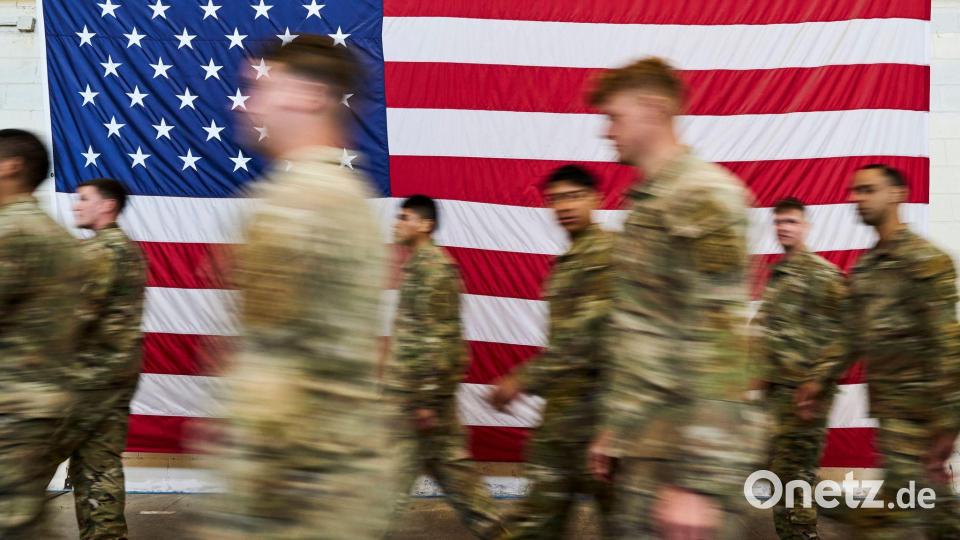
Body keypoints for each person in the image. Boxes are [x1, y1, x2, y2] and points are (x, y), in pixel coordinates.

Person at [194, 35, 400, 539]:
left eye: (261, 87)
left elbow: (273, 365)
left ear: (309, 96)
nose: (245, 104)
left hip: (293, 485)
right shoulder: (341, 192)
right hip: (324, 474)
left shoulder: (301, 201)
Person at [585, 57, 766, 538]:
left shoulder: (701, 197)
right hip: (648, 447)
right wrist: (617, 430)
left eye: (614, 116)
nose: (606, 131)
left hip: (685, 461)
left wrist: (697, 484)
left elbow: (723, 344)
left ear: (652, 108)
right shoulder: (651, 201)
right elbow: (648, 331)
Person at [796, 164, 960, 538]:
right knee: (932, 509)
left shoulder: (926, 261)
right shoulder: (867, 268)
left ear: (897, 194)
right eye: (855, 191)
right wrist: (817, 379)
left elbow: (949, 345)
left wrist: (949, 422)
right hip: (891, 411)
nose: (856, 198)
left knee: (897, 517)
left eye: (867, 190)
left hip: (921, 414)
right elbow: (852, 334)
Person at [490, 164, 616, 539]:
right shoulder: (570, 260)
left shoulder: (608, 254)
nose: (564, 206)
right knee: (534, 525)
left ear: (596, 199)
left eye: (574, 196)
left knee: (629, 526)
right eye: (556, 199)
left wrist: (523, 379)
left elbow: (588, 338)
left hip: (605, 421)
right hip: (562, 422)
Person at [384, 194, 504, 539]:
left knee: (387, 493)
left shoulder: (434, 269)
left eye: (405, 217)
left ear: (426, 225)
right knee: (455, 485)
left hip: (421, 406)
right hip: (414, 402)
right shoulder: (418, 266)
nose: (397, 223)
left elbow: (441, 340)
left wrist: (426, 401)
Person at [40, 178, 147, 540]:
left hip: (83, 382)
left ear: (107, 206)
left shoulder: (99, 252)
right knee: (99, 468)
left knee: (22, 465)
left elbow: (68, 316)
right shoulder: (127, 250)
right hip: (113, 380)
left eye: (84, 199)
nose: (76, 205)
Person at [0, 129, 86, 538]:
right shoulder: (59, 238)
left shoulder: (11, 233)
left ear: (10, 166)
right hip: (45, 405)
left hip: (12, 409)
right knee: (24, 522)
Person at [751, 197, 844, 540]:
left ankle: (804, 535)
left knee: (797, 477)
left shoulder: (822, 274)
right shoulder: (779, 275)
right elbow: (768, 331)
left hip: (805, 397)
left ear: (805, 226)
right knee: (781, 476)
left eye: (791, 221)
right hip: (778, 396)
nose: (784, 228)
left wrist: (818, 384)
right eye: (779, 222)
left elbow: (846, 335)